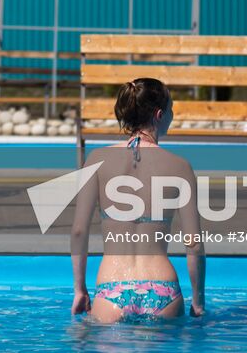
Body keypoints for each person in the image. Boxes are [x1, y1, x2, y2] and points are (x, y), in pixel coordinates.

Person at [71, 77, 206, 322]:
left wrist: (80, 289)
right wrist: (198, 300)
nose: (172, 116)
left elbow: (79, 231)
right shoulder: (180, 166)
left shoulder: (96, 159)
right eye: (171, 109)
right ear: (158, 114)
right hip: (163, 291)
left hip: (112, 287)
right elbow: (194, 244)